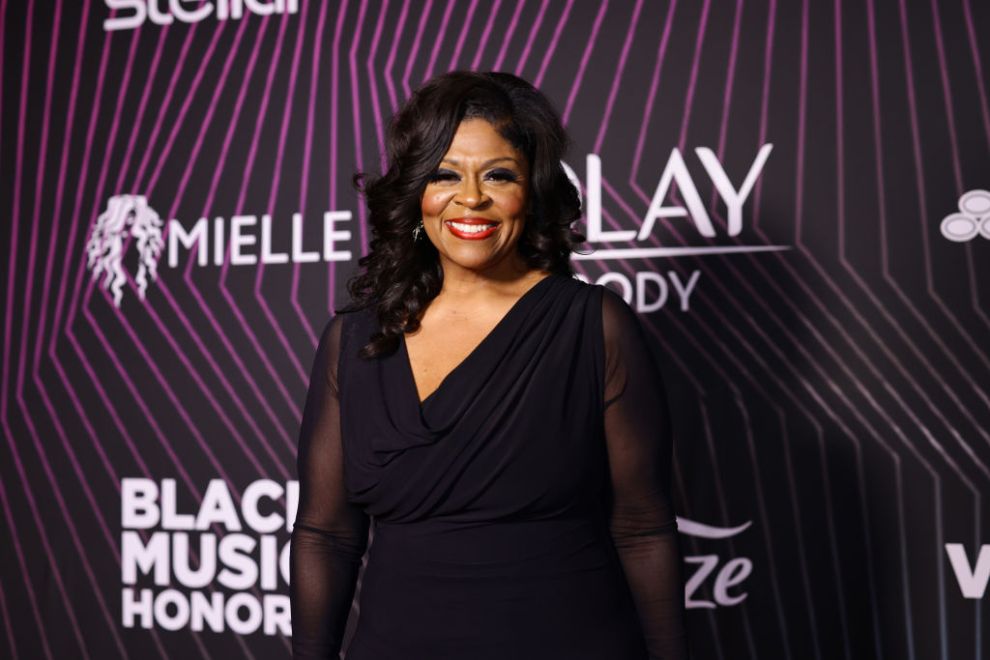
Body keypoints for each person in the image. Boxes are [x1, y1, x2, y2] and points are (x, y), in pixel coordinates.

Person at [290, 70, 688, 659]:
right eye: (445, 174)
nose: (470, 197)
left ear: (532, 192)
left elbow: (643, 528)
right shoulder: (354, 339)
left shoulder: (594, 326)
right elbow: (325, 535)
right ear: (414, 191)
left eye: (498, 175)